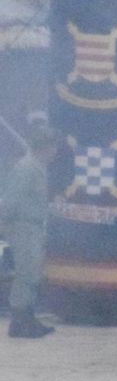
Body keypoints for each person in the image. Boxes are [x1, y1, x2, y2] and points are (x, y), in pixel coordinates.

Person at [2, 122, 58, 338]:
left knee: (32, 273)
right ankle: (20, 320)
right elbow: (11, 200)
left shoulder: (37, 167)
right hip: (23, 226)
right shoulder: (26, 168)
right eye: (53, 146)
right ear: (45, 146)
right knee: (26, 274)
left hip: (33, 226)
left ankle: (27, 317)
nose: (55, 151)